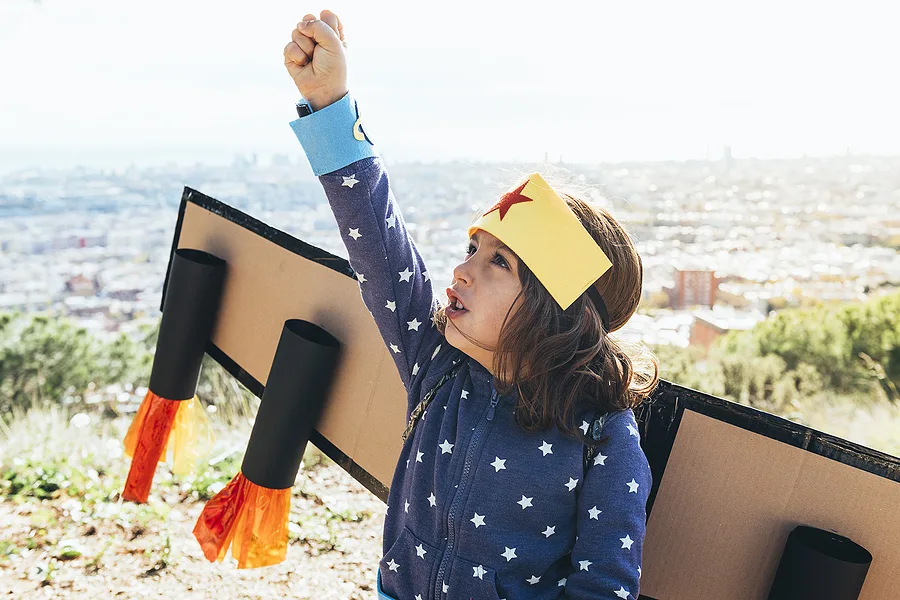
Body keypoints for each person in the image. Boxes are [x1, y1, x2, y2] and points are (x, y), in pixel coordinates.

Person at [283, 10, 659, 600]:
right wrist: (330, 102)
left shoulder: (601, 437)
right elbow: (379, 247)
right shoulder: (436, 366)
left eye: (498, 263)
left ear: (554, 312)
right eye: (471, 248)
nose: (461, 270)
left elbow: (604, 587)